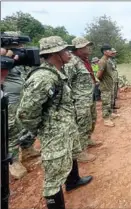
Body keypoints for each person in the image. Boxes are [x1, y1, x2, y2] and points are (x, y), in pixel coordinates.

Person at [16, 36, 92, 209]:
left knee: (71, 155)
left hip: (66, 129)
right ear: (55, 54)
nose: (69, 53)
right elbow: (26, 113)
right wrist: (42, 128)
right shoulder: (43, 77)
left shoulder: (57, 71)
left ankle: (73, 181)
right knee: (53, 178)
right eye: (65, 50)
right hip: (54, 135)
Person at [2, 31, 40, 179]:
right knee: (11, 128)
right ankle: (13, 161)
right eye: (17, 45)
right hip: (10, 98)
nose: (21, 48)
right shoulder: (3, 56)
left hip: (24, 95)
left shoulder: (21, 56)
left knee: (28, 123)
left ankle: (28, 148)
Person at [65, 37, 103, 163]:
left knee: (91, 120)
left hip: (89, 96)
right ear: (79, 49)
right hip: (79, 100)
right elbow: (66, 82)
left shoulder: (84, 60)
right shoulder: (72, 62)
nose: (89, 48)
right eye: (86, 46)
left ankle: (87, 140)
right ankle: (79, 152)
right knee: (81, 124)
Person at [97, 44, 119, 127]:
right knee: (106, 103)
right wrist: (104, 81)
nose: (111, 51)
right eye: (109, 50)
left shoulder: (108, 60)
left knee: (110, 101)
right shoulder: (102, 61)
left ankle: (110, 114)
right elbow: (98, 75)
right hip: (105, 86)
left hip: (110, 85)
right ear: (105, 52)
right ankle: (106, 119)